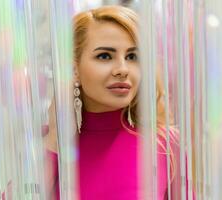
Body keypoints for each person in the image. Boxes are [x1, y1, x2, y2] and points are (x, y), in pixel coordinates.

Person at [44, 5, 187, 200]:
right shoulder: (44, 144)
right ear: (74, 69)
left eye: (132, 56)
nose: (123, 69)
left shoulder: (165, 144)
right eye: (105, 56)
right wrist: (54, 139)